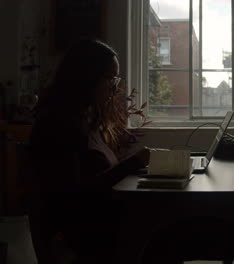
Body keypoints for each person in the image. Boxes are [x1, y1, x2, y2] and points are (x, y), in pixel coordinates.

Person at [28, 39, 149, 263]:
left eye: (116, 79)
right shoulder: (58, 124)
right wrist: (132, 164)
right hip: (88, 239)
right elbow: (75, 197)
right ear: (86, 77)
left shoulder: (82, 117)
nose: (115, 87)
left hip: (98, 227)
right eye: (109, 78)